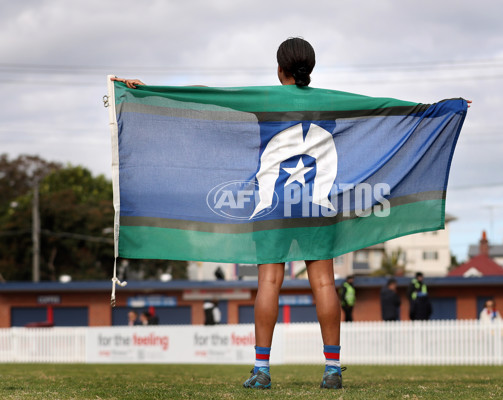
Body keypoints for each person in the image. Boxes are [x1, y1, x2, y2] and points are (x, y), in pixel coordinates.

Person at [112, 37, 344, 390]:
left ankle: (262, 370)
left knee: (268, 281)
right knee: (324, 282)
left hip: (273, 203)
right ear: (309, 68)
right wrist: (440, 110)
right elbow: (387, 108)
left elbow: (211, 95)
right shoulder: (332, 101)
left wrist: (152, 89)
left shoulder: (267, 98)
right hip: (317, 201)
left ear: (279, 68)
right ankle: (332, 368)